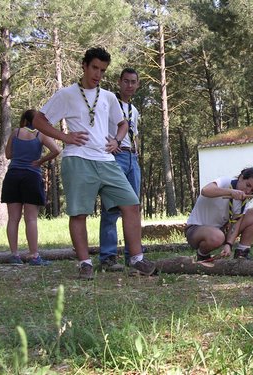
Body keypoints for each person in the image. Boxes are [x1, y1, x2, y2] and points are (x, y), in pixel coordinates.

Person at [33, 47, 156, 280]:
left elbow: (122, 124)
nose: (98, 74)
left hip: (107, 159)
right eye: (95, 68)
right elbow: (39, 120)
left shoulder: (109, 97)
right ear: (84, 66)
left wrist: (117, 141)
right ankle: (84, 263)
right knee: (79, 213)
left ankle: (137, 259)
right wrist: (65, 137)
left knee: (131, 205)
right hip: (77, 159)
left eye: (103, 70)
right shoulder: (67, 94)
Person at [1, 109, 60, 266]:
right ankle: (34, 256)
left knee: (13, 218)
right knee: (31, 218)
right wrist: (40, 161)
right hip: (31, 176)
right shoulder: (40, 134)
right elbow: (57, 150)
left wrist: (21, 154)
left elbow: (8, 155)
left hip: (13, 176)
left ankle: (14, 255)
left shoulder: (15, 132)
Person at [99, 68, 142, 272]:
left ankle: (133, 255)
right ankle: (108, 256)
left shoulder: (134, 110)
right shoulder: (108, 103)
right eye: (126, 81)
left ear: (138, 84)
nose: (129, 85)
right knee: (111, 207)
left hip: (132, 157)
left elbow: (134, 134)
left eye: (133, 82)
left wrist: (136, 152)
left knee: (133, 207)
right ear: (119, 82)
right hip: (115, 156)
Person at [185, 167, 253, 260]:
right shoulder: (225, 182)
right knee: (217, 236)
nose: (248, 191)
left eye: (252, 190)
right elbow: (205, 191)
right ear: (241, 178)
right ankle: (202, 255)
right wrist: (230, 192)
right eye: (248, 185)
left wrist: (229, 244)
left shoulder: (243, 201)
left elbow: (236, 223)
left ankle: (242, 252)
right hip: (195, 230)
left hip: (219, 231)